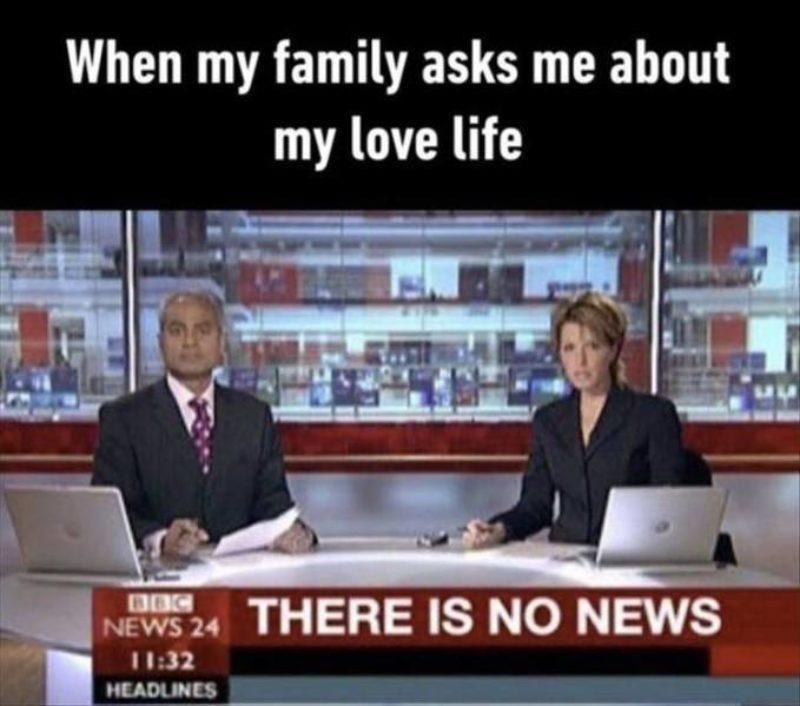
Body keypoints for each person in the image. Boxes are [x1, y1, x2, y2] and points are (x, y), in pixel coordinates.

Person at [92, 290, 316, 558]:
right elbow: (110, 515)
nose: (190, 342)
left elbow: (274, 505)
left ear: (221, 342)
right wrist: (160, 540)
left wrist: (295, 532)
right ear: (160, 342)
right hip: (160, 576)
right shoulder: (123, 418)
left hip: (239, 576)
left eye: (203, 330)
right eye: (177, 331)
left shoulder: (254, 417)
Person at [464, 291, 685, 549]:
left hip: (629, 556)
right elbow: (535, 505)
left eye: (592, 346)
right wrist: (498, 530)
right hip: (565, 559)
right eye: (569, 348)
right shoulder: (548, 421)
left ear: (613, 349)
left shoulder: (653, 415)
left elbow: (668, 508)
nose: (580, 361)